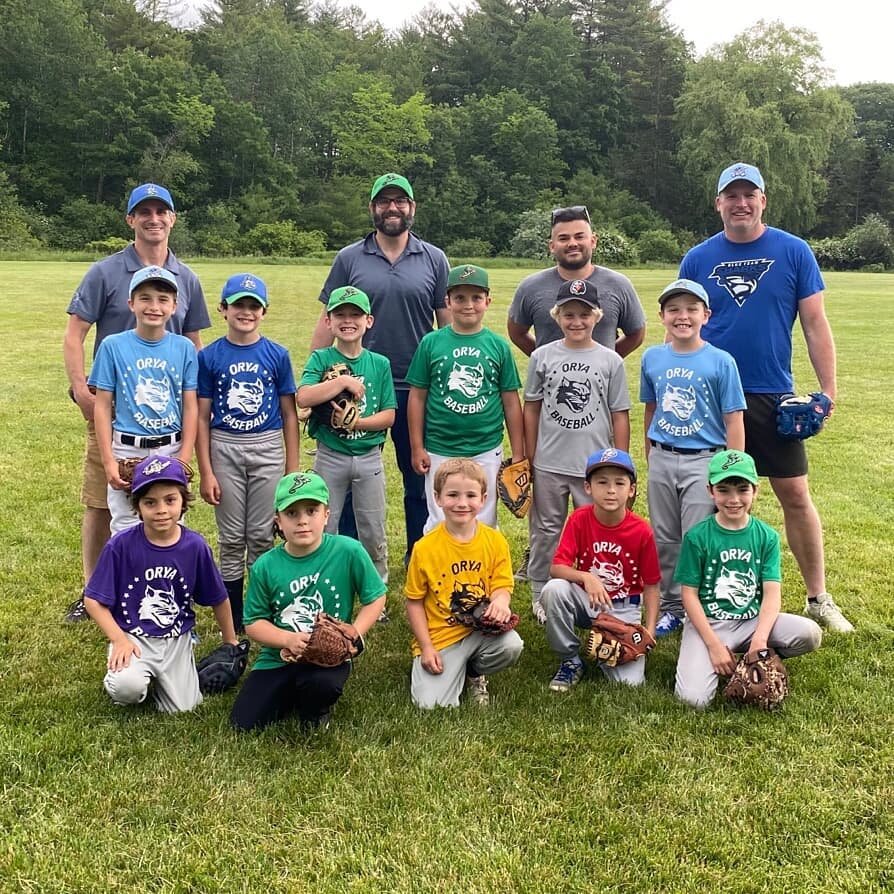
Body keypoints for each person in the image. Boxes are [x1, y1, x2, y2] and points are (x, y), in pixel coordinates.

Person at [680, 162, 852, 633]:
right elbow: (683, 322)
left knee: (794, 493)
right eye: (730, 195)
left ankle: (818, 597)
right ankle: (698, 601)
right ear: (718, 203)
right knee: (705, 497)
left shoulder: (793, 251)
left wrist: (828, 390)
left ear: (763, 199)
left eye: (748, 194)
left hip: (772, 393)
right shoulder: (697, 259)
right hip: (711, 394)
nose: (740, 203)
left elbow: (815, 324)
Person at [63, 182, 210, 623]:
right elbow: (75, 335)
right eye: (143, 212)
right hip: (113, 409)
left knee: (164, 505)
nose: (153, 219)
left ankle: (159, 588)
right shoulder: (106, 272)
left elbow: (194, 342)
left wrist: (197, 412)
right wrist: (83, 394)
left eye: (160, 211)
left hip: (166, 419)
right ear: (130, 219)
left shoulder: (186, 278)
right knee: (101, 501)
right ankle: (95, 591)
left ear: (172, 218)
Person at [309, 173, 450, 561]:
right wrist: (311, 376)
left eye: (400, 201)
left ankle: (418, 554)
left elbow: (447, 325)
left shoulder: (434, 258)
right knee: (351, 476)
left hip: (416, 386)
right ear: (373, 208)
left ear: (412, 208)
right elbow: (328, 318)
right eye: (384, 201)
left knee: (417, 473)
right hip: (353, 384)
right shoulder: (349, 257)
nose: (392, 208)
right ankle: (350, 555)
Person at [230, 471, 386, 732]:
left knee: (321, 685)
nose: (302, 521)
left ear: (326, 514)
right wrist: (288, 640)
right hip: (279, 656)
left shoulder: (348, 550)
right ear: (277, 520)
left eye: (311, 511)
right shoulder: (265, 565)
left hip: (328, 656)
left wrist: (355, 631)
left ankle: (315, 709)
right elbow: (254, 623)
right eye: (292, 513)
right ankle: (291, 691)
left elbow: (375, 596)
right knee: (244, 723)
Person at [83, 455, 238, 714]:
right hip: (134, 635)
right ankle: (129, 674)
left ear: (183, 500)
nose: (162, 510)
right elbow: (93, 600)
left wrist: (230, 641)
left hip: (176, 638)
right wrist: (119, 639)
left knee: (184, 708)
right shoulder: (120, 545)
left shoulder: (195, 547)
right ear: (137, 506)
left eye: (170, 500)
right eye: (150, 502)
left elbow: (218, 597)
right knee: (127, 688)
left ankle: (164, 676)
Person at [674, 449, 823, 708]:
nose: (733, 499)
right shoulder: (698, 537)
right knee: (693, 700)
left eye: (742, 489)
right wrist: (714, 645)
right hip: (709, 623)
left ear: (756, 490)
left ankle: (755, 657)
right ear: (711, 491)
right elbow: (689, 595)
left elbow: (772, 593)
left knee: (809, 633)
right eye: (724, 489)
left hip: (750, 621)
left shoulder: (766, 536)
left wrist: (760, 640)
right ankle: (718, 655)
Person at [639, 278, 746, 637]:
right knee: (665, 536)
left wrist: (733, 473)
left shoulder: (720, 361)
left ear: (706, 315)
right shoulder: (653, 356)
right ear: (662, 316)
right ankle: (671, 605)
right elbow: (651, 408)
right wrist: (649, 450)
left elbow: (733, 418)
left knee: (697, 536)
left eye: (690, 309)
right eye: (673, 310)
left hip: (705, 459)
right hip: (664, 456)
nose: (682, 316)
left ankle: (700, 603)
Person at [523, 278, 631, 624]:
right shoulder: (542, 356)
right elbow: (532, 408)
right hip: (550, 461)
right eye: (568, 314)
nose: (576, 321)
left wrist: (622, 465)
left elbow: (619, 413)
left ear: (597, 317)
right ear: (557, 316)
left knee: (597, 531)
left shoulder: (610, 360)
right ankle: (541, 591)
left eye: (584, 315)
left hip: (595, 466)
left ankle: (593, 589)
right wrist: (528, 454)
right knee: (545, 529)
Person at [196, 273, 299, 632]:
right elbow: (202, 417)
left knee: (260, 533)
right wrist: (206, 470)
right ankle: (234, 615)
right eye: (238, 304)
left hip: (267, 447)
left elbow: (289, 413)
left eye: (253, 306)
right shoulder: (209, 356)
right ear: (223, 309)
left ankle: (260, 607)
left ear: (264, 311)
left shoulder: (276, 354)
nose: (246, 312)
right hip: (225, 446)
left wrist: (292, 469)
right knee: (230, 537)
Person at [407, 265, 524, 532]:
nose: (468, 305)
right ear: (447, 302)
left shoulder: (497, 346)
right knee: (440, 517)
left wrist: (518, 453)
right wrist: (417, 446)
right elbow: (418, 397)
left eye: (476, 298)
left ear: (488, 301)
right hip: (439, 447)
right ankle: (440, 570)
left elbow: (510, 401)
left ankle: (479, 571)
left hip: (486, 447)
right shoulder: (431, 343)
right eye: (459, 298)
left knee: (483, 517)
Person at [405, 458, 524, 709]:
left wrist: (501, 601)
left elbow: (502, 584)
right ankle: (452, 668)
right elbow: (414, 602)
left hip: (480, 631)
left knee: (512, 645)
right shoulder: (425, 548)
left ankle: (474, 671)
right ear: (437, 498)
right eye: (452, 495)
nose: (462, 503)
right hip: (441, 636)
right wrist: (426, 648)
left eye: (471, 495)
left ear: (483, 499)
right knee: (431, 705)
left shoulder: (495, 541)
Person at [88, 266, 198, 534]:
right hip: (128, 449)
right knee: (126, 528)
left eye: (163, 299)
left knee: (171, 525)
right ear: (131, 303)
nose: (154, 306)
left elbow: (191, 406)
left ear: (174, 306)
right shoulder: (113, 346)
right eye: (145, 298)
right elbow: (102, 406)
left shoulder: (184, 348)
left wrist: (183, 458)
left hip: (170, 447)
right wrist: (109, 460)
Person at [298, 286, 396, 582]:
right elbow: (303, 397)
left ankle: (375, 586)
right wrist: (342, 381)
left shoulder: (379, 364)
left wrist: (358, 423)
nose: (348, 320)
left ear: (369, 321)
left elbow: (389, 415)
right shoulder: (321, 358)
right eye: (340, 314)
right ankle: (320, 582)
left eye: (356, 314)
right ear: (328, 321)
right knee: (324, 523)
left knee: (372, 528)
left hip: (369, 457)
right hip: (330, 455)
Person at [541, 449, 659, 693]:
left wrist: (649, 630)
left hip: (623, 607)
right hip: (587, 600)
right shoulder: (579, 519)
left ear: (632, 489)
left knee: (629, 685)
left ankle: (605, 647)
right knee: (554, 590)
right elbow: (556, 568)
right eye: (602, 482)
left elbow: (652, 584)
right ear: (588, 487)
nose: (611, 490)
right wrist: (585, 576)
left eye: (619, 483)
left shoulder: (641, 530)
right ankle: (570, 659)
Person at [507, 205, 646, 358]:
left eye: (579, 236)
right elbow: (517, 333)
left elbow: (636, 334)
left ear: (593, 241)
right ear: (552, 246)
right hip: (550, 382)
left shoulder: (619, 284)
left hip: (601, 382)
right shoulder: (531, 287)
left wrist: (606, 361)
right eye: (563, 238)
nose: (572, 243)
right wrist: (544, 360)